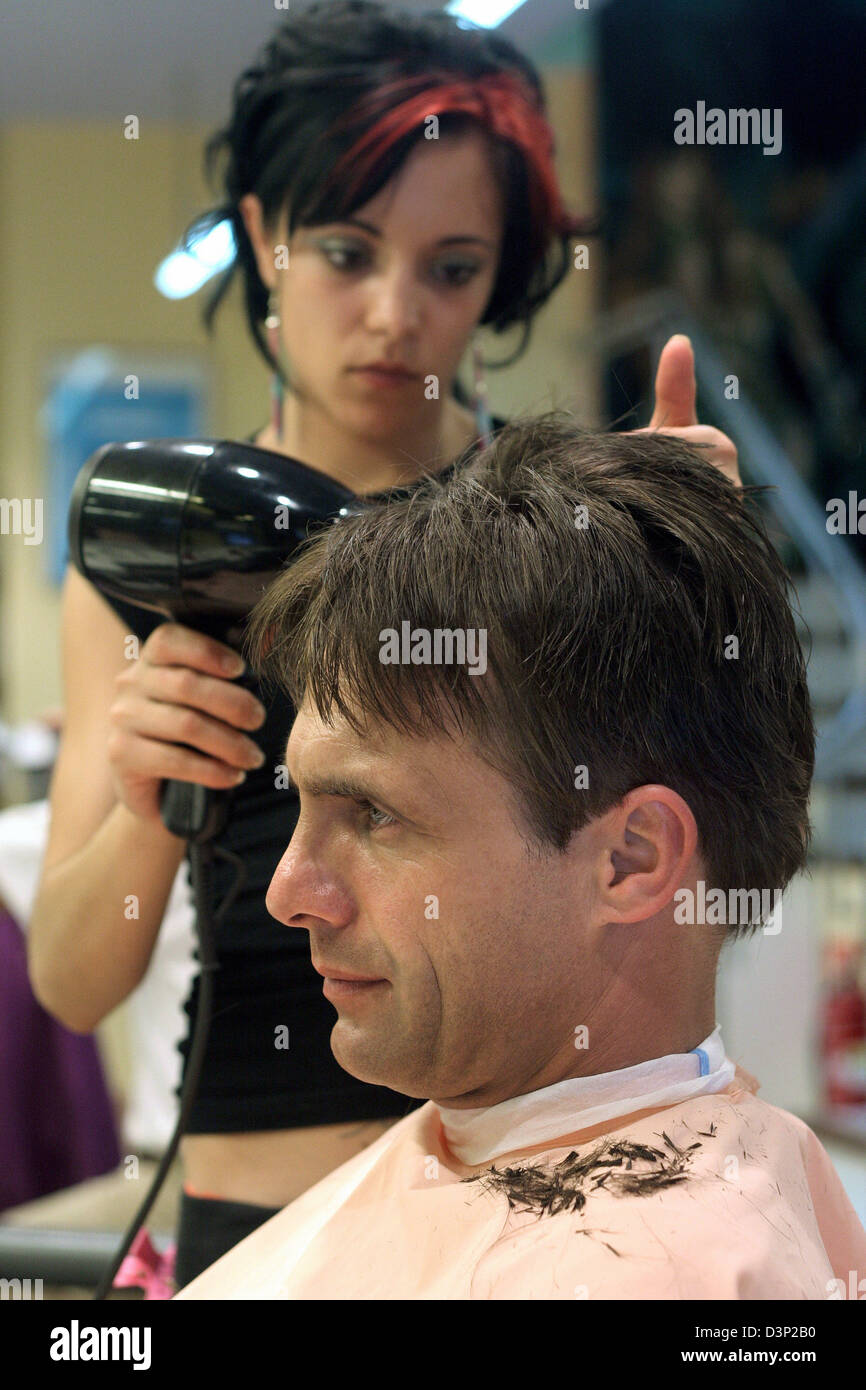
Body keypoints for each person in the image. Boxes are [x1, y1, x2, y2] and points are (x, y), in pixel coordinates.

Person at [27, 1, 737, 1289]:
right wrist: (142, 806)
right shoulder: (160, 566)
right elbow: (75, 982)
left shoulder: (555, 545)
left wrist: (695, 597)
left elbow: (686, 895)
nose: (395, 316)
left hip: (528, 1234)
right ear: (263, 238)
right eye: (346, 252)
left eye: (450, 268)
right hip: (261, 1229)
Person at [175, 417, 866, 1300]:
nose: (289, 894)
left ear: (630, 859)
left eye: (374, 815)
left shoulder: (663, 1272)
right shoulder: (501, 1140)